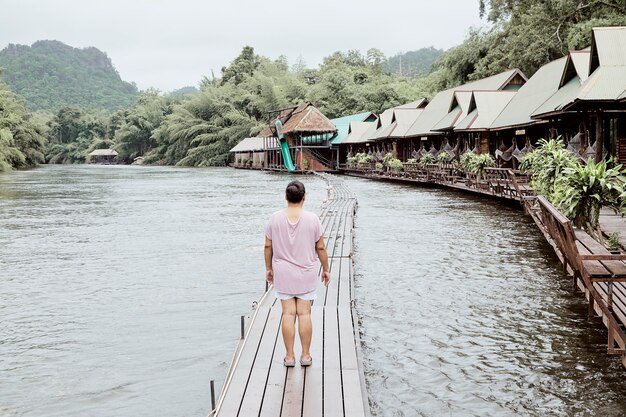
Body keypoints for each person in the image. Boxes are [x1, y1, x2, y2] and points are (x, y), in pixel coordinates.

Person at [264, 180, 331, 367]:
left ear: (286, 197)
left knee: (287, 314)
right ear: (304, 197)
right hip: (306, 272)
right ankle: (306, 356)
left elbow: (268, 245)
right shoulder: (313, 219)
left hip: (283, 273)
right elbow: (321, 247)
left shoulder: (274, 218)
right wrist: (326, 269)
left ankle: (289, 356)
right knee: (304, 313)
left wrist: (268, 268)